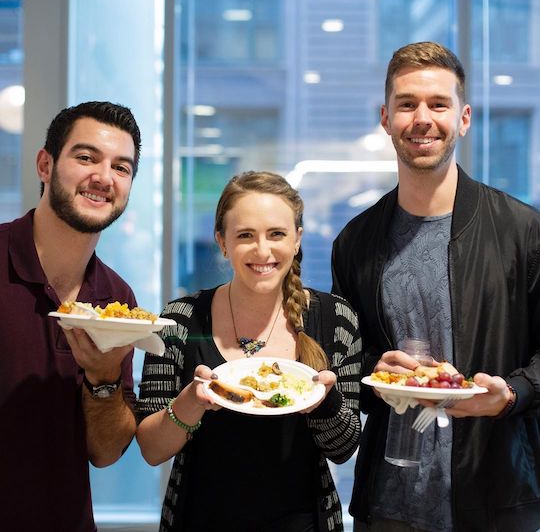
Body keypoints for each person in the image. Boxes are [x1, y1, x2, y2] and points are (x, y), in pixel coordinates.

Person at [331, 41, 540, 532]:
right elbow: (342, 365)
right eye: (407, 104)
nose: (422, 118)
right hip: (388, 502)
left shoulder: (522, 231)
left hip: (498, 492)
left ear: (463, 118)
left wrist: (512, 393)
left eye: (438, 104)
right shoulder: (355, 242)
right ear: (386, 118)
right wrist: (373, 370)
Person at [136, 171, 362, 532]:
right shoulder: (180, 319)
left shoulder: (336, 318)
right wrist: (191, 402)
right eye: (245, 236)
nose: (262, 250)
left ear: (297, 239)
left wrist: (325, 399)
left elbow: (343, 449)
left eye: (277, 234)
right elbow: (151, 449)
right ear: (222, 243)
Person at [0, 101, 142, 531]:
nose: (103, 177)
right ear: (45, 164)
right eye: (85, 158)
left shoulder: (117, 299)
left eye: (122, 167)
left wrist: (103, 379)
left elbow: (106, 451)